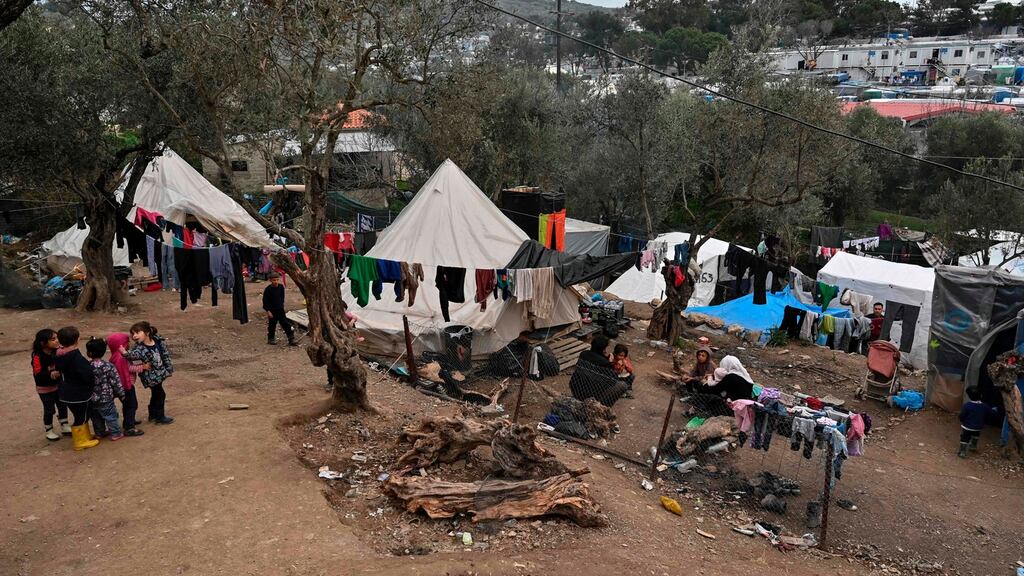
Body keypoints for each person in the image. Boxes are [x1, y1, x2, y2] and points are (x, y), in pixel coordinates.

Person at [53, 326, 100, 451]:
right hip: (79, 394)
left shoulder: (60, 356)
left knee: (79, 415)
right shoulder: (76, 358)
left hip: (66, 392)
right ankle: (80, 441)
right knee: (82, 416)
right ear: (77, 339)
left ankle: (84, 435)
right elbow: (86, 374)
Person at [122, 321, 174, 425]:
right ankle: (159, 417)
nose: (134, 336)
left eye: (137, 332)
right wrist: (124, 352)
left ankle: (153, 415)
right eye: (133, 333)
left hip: (160, 374)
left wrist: (168, 368)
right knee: (160, 394)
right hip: (150, 377)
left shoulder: (158, 341)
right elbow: (132, 357)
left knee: (156, 394)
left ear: (147, 332)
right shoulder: (139, 348)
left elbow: (165, 355)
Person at [31, 328, 70, 441]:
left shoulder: (57, 351)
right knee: (49, 409)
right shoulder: (37, 356)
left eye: (57, 338)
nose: (57, 341)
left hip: (58, 385)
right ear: (43, 343)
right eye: (53, 339)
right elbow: (37, 373)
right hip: (45, 388)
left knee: (62, 404)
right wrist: (50, 374)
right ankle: (49, 430)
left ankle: (64, 424)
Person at [569, 335, 628, 407]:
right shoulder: (605, 363)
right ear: (603, 349)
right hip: (592, 395)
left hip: (576, 388)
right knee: (623, 385)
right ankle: (603, 407)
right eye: (606, 348)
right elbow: (613, 381)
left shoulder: (583, 354)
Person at [85, 338, 125, 442]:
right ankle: (116, 433)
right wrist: (121, 393)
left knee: (96, 417)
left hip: (92, 398)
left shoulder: (87, 366)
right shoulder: (108, 366)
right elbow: (115, 381)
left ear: (89, 353)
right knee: (110, 416)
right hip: (106, 397)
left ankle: (99, 433)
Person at [107, 333, 145, 436]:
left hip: (122, 386)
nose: (128, 343)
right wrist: (143, 367)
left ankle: (129, 420)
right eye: (126, 342)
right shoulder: (121, 357)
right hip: (126, 386)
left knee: (128, 405)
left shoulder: (116, 355)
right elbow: (129, 368)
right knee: (131, 405)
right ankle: (129, 427)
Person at [263, 272, 296, 346]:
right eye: (274, 280)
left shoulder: (281, 287)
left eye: (277, 280)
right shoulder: (268, 289)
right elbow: (265, 301)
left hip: (280, 310)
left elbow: (282, 297)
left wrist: (281, 306)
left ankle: (291, 338)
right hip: (272, 310)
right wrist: (268, 311)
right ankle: (271, 339)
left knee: (285, 324)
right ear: (270, 280)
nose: (276, 282)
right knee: (272, 325)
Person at [958, 387, 989, 458]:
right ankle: (973, 446)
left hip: (967, 427)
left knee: (965, 438)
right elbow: (991, 412)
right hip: (978, 427)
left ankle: (962, 452)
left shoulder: (967, 405)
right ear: (981, 396)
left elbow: (962, 415)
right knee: (976, 435)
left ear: (969, 396)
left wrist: (961, 420)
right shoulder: (984, 406)